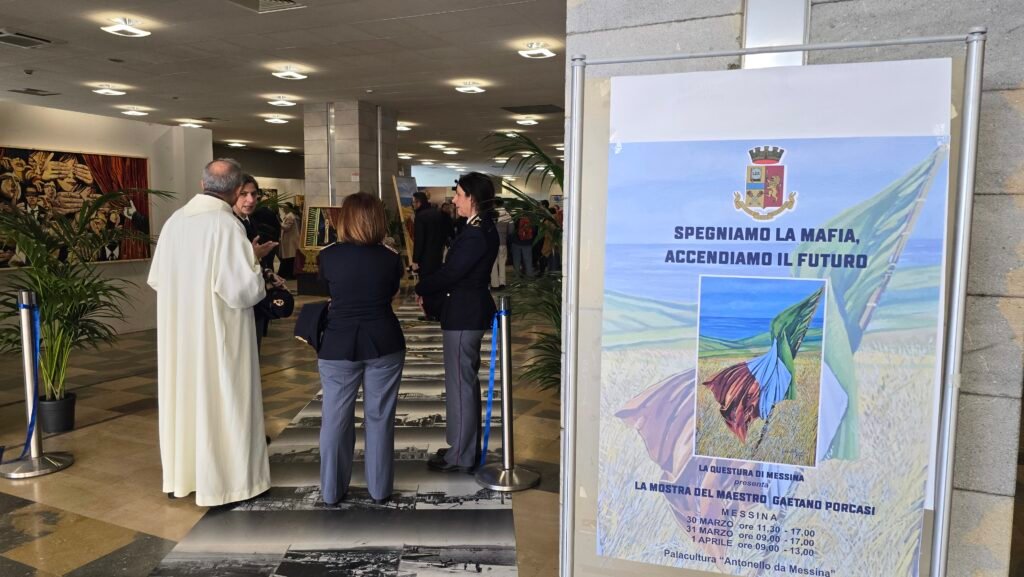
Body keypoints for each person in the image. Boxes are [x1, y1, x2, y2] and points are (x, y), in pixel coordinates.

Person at [147, 158, 275, 506]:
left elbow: (157, 279)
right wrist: (254, 264)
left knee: (185, 399)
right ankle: (228, 484)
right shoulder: (226, 226)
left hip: (180, 333)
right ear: (236, 191)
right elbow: (243, 291)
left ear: (202, 185)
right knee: (224, 399)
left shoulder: (175, 222)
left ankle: (183, 476)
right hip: (219, 333)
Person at [317, 192, 406, 504]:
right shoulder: (391, 258)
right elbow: (392, 292)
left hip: (337, 343)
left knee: (335, 418)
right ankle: (380, 489)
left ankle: (331, 490)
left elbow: (329, 291)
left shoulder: (328, 256)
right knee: (380, 417)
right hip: (384, 340)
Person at [415, 172, 499, 473]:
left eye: (459, 194)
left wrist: (421, 287)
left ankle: (461, 455)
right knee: (464, 383)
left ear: (472, 198)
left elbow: (452, 273)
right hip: (465, 311)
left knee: (460, 385)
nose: (454, 199)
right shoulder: (478, 227)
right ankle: (463, 446)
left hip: (464, 314)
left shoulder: (476, 233)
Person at [233, 175, 279, 350]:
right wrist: (253, 256)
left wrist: (268, 273)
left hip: (255, 300)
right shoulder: (228, 225)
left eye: (253, 194)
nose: (250, 200)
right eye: (243, 194)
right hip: (238, 304)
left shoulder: (250, 221)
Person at [490, 198, 512, 290]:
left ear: (494, 204)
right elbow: (511, 231)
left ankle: (495, 284)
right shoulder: (507, 215)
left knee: (493, 263)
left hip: (492, 243)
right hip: (503, 243)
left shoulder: (492, 214)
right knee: (502, 263)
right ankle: (502, 283)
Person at [278, 202, 301, 279]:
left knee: (289, 258)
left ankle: (289, 275)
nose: (283, 209)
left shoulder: (290, 216)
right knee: (290, 258)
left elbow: (287, 227)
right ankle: (289, 274)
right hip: (289, 240)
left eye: (285, 207)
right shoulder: (289, 215)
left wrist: (279, 223)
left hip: (290, 240)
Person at [509, 213, 535, 278]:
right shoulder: (531, 220)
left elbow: (511, 231)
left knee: (516, 260)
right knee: (528, 260)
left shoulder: (516, 219)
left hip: (516, 243)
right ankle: (529, 275)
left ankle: (517, 276)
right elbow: (534, 231)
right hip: (527, 243)